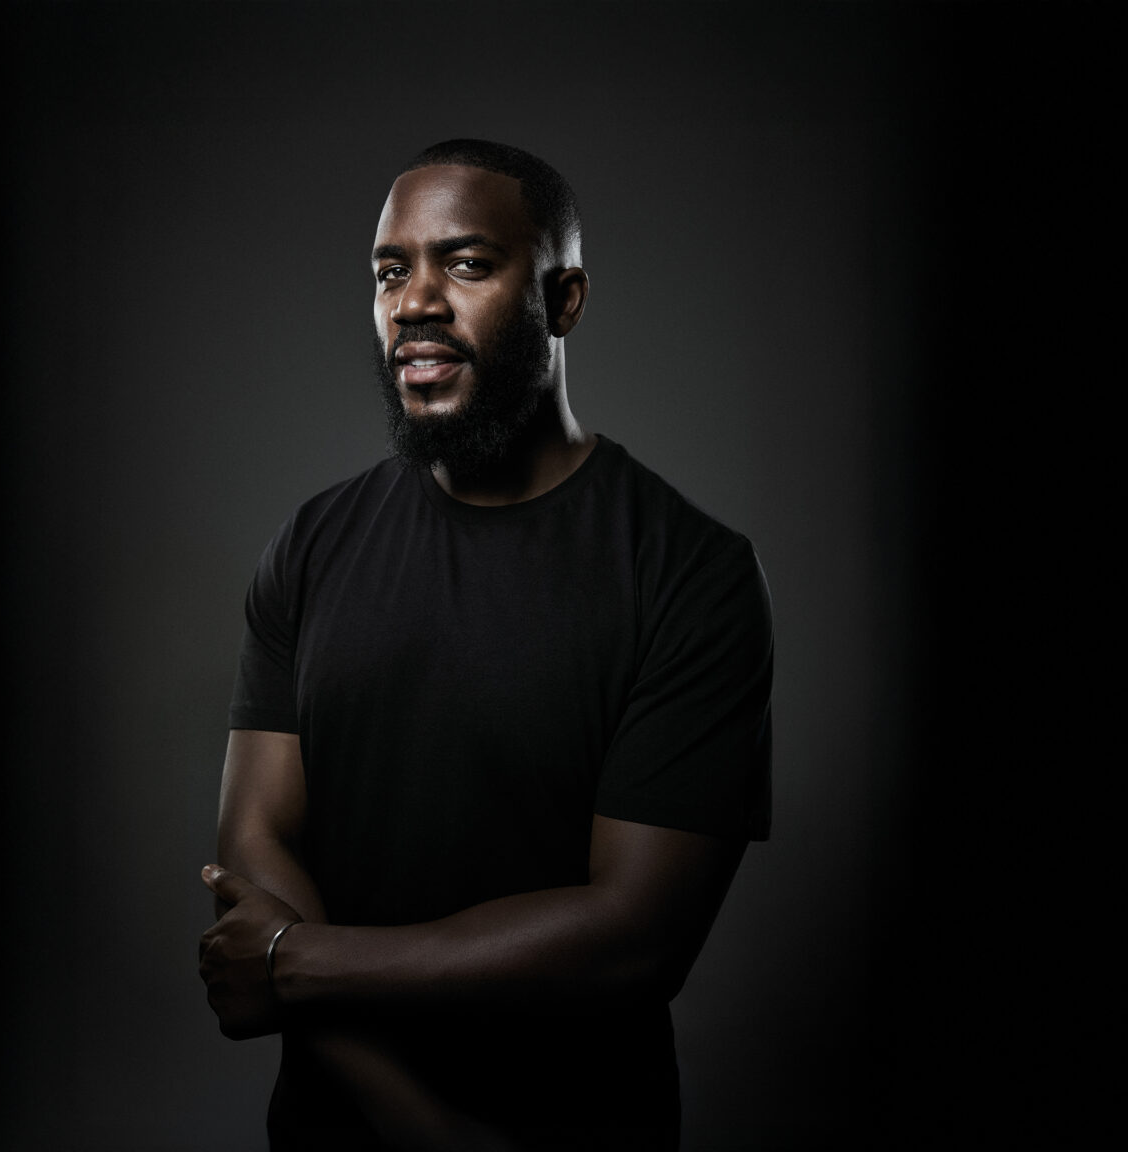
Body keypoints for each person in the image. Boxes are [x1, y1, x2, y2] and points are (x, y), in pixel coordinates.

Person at [198, 139, 773, 1151]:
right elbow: (255, 849)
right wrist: (414, 1118)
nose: (414, 302)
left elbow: (633, 937)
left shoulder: (691, 573)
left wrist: (295, 963)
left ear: (563, 300)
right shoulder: (311, 546)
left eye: (466, 264)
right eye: (390, 272)